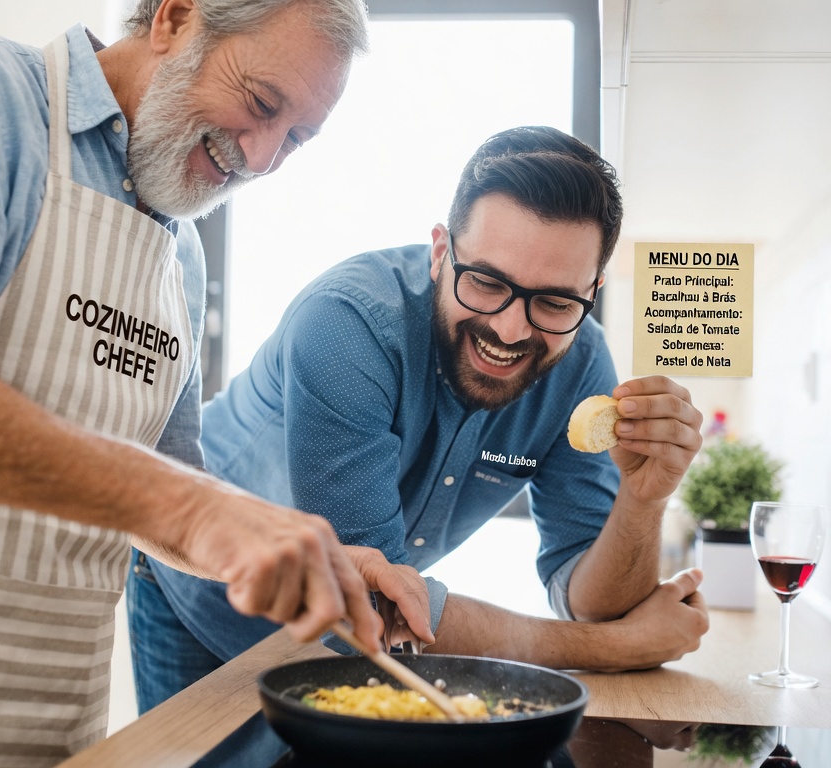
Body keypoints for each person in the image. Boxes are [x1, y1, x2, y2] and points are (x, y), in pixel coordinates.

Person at [0, 1, 386, 765]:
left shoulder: (178, 257)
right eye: (261, 104)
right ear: (175, 19)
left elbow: (170, 490)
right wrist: (196, 509)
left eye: (297, 140)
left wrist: (303, 554)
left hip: (55, 713)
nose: (260, 156)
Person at [129, 126, 712, 712]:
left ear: (593, 290)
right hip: (202, 605)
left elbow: (588, 597)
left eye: (556, 302)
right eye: (486, 281)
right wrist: (612, 647)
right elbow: (369, 610)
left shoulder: (582, 361)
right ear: (441, 252)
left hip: (358, 651)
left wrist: (644, 499)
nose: (511, 331)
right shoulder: (346, 324)